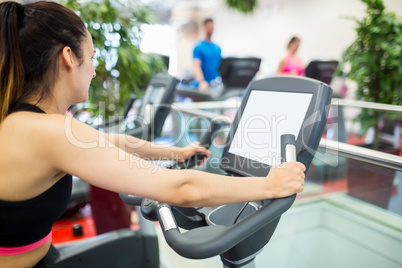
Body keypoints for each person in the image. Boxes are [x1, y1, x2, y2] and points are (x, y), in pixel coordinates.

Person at [0, 1, 306, 267]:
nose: (94, 70)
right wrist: (270, 185)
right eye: (92, 57)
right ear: (69, 57)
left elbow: (106, 141)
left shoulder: (28, 120)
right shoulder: (47, 131)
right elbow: (182, 189)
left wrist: (174, 153)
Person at [192, 18, 222, 91]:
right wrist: (201, 81)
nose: (211, 30)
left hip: (215, 85)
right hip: (202, 86)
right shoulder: (198, 47)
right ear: (204, 28)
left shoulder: (217, 48)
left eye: (212, 27)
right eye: (209, 27)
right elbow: (196, 66)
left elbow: (220, 66)